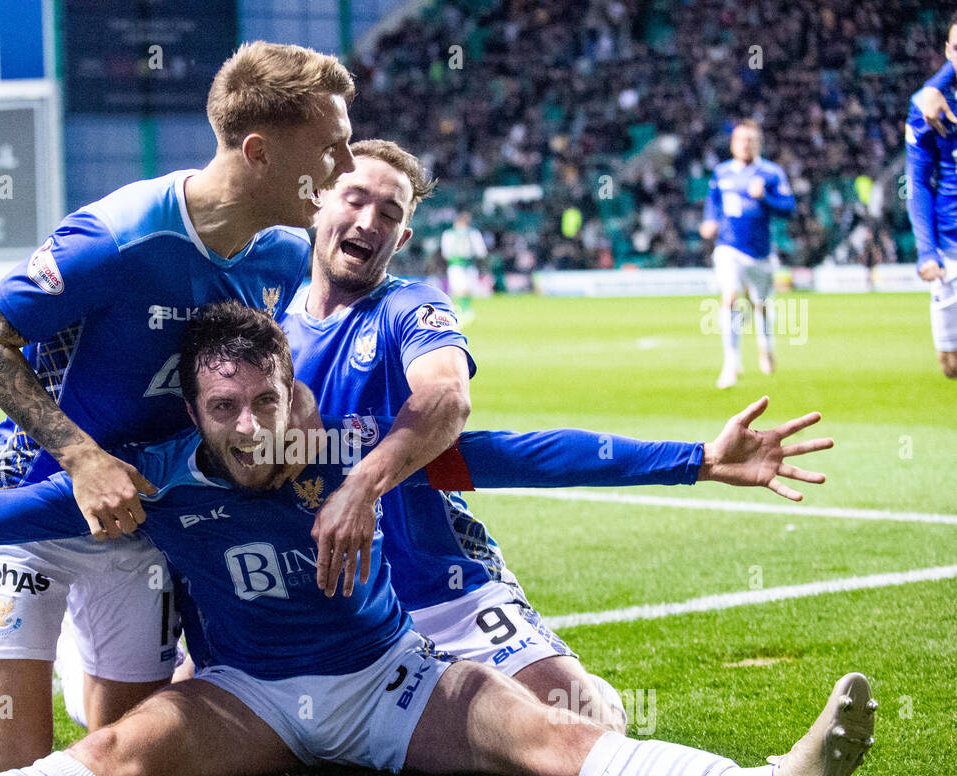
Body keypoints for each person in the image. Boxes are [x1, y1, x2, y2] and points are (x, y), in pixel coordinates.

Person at [0, 303, 870, 776]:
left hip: (393, 686)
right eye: (224, 409)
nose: (250, 427)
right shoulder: (147, 486)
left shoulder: (349, 449)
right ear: (194, 410)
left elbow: (524, 450)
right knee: (107, 761)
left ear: (290, 393)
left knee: (555, 742)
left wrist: (694, 461)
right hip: (244, 699)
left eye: (266, 402)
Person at [287, 140, 829, 732]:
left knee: (591, 722)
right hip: (329, 599)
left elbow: (458, 408)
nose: (370, 220)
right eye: (355, 199)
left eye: (390, 213)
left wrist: (697, 459)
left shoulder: (411, 307)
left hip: (444, 592)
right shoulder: (268, 327)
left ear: (404, 240)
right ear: (317, 202)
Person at [0, 41, 357, 775]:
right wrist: (80, 458)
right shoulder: (117, 237)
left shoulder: (284, 260)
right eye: (331, 148)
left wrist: (305, 417)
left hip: (141, 523)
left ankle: (62, 659)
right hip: (31, 502)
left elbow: (270, 375)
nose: (344, 170)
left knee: (117, 756)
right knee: (17, 772)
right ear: (260, 152)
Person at [699, 119, 795, 389]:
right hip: (728, 248)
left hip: (760, 253)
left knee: (761, 306)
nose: (745, 144)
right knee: (729, 298)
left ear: (758, 144)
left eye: (750, 140)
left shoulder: (771, 173)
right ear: (733, 144)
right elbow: (713, 202)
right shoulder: (721, 173)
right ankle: (731, 362)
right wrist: (710, 220)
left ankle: (766, 347)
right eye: (741, 140)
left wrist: (765, 198)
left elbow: (788, 208)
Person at [906, 30, 957, 380]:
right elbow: (918, 184)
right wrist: (927, 251)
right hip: (950, 243)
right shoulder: (927, 105)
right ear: (947, 50)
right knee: (950, 366)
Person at [439, 211, 488, 322]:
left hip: (466, 265)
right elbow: (481, 252)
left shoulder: (472, 234)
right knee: (460, 289)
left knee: (467, 289)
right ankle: (461, 311)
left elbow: (481, 251)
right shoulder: (450, 234)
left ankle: (465, 310)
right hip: (457, 265)